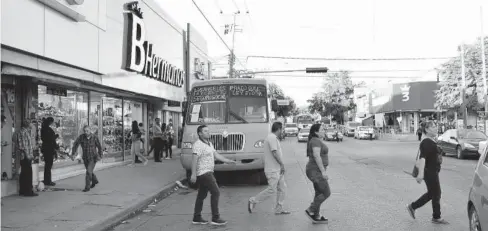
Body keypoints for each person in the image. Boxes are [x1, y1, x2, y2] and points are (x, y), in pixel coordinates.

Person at [190, 125, 236, 226]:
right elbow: (194, 160)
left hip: (208, 172)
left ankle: (196, 217)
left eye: (208, 131)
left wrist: (227, 161)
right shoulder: (198, 145)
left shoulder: (209, 143)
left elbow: (216, 155)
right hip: (204, 173)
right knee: (216, 192)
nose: (208, 133)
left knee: (202, 195)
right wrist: (193, 174)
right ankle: (216, 217)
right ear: (200, 133)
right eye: (205, 131)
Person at [407, 121, 448, 224]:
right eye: (433, 127)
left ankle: (434, 216)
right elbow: (423, 158)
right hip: (429, 172)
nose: (436, 128)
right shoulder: (426, 142)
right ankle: (414, 207)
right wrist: (421, 174)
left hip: (432, 171)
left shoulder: (430, 140)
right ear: (427, 129)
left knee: (434, 193)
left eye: (435, 126)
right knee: (435, 193)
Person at [248, 122, 290, 215]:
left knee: (283, 188)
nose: (282, 131)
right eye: (282, 129)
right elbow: (274, 153)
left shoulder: (273, 138)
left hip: (277, 169)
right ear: (278, 129)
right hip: (272, 170)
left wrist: (280, 166)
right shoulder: (271, 138)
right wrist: (282, 164)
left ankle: (279, 209)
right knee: (272, 189)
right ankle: (253, 200)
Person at [304, 123, 330, 223]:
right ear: (316, 132)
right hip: (315, 171)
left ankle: (316, 215)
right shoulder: (315, 141)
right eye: (322, 129)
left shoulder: (317, 140)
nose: (324, 131)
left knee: (319, 193)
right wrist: (323, 171)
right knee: (326, 192)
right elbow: (316, 156)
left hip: (315, 170)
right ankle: (311, 209)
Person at [71, 125, 103, 192]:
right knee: (90, 171)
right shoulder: (81, 137)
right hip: (85, 157)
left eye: (87, 131)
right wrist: (73, 153)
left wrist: (100, 155)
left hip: (93, 157)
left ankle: (87, 187)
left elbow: (99, 147)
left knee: (88, 172)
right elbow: (75, 144)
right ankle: (94, 181)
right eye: (85, 131)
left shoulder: (94, 137)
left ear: (90, 130)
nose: (86, 132)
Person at [13, 119, 38, 196]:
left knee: (24, 173)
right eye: (30, 123)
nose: (31, 125)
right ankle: (27, 191)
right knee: (28, 173)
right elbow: (22, 146)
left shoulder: (25, 132)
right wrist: (28, 155)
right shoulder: (23, 132)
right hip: (25, 156)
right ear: (27, 124)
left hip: (26, 155)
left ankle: (23, 190)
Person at [41, 117, 58, 186]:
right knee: (49, 165)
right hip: (49, 149)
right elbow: (50, 139)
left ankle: (46, 180)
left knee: (47, 165)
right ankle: (48, 180)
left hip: (46, 148)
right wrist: (55, 137)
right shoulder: (47, 129)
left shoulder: (43, 129)